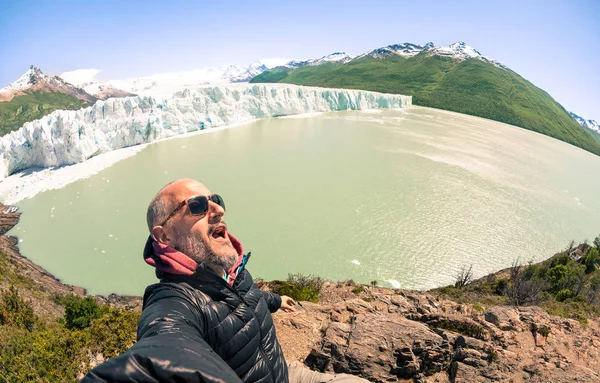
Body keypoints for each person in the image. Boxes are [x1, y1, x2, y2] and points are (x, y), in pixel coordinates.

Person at [82, 179, 369, 383]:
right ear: (164, 236)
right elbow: (163, 345)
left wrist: (277, 300)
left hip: (284, 372)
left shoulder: (233, 272)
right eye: (196, 206)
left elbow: (246, 296)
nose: (217, 210)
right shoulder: (174, 300)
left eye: (215, 201)